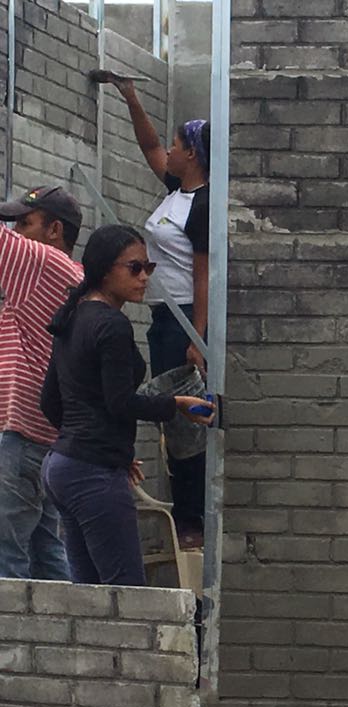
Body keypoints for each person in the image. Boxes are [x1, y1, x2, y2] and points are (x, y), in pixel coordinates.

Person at [40, 224, 214, 585]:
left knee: (89, 595)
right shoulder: (111, 324)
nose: (144, 277)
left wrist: (104, 447)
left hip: (62, 467)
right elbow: (120, 402)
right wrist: (177, 403)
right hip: (91, 473)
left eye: (148, 268)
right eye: (135, 268)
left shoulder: (73, 315)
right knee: (128, 593)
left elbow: (50, 402)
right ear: (105, 270)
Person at [101, 76, 211, 547]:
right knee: (172, 418)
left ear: (193, 154)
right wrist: (129, 95)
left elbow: (205, 275)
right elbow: (148, 145)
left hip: (184, 317)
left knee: (184, 420)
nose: (169, 150)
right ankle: (187, 513)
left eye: (177, 145)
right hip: (165, 316)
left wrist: (198, 337)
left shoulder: (202, 205)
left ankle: (192, 520)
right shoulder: (175, 190)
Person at [0, 186, 84, 579]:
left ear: (54, 230)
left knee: (7, 557)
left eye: (24, 223)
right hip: (49, 439)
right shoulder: (73, 276)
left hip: (23, 438)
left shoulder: (41, 263)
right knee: (46, 550)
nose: (15, 233)